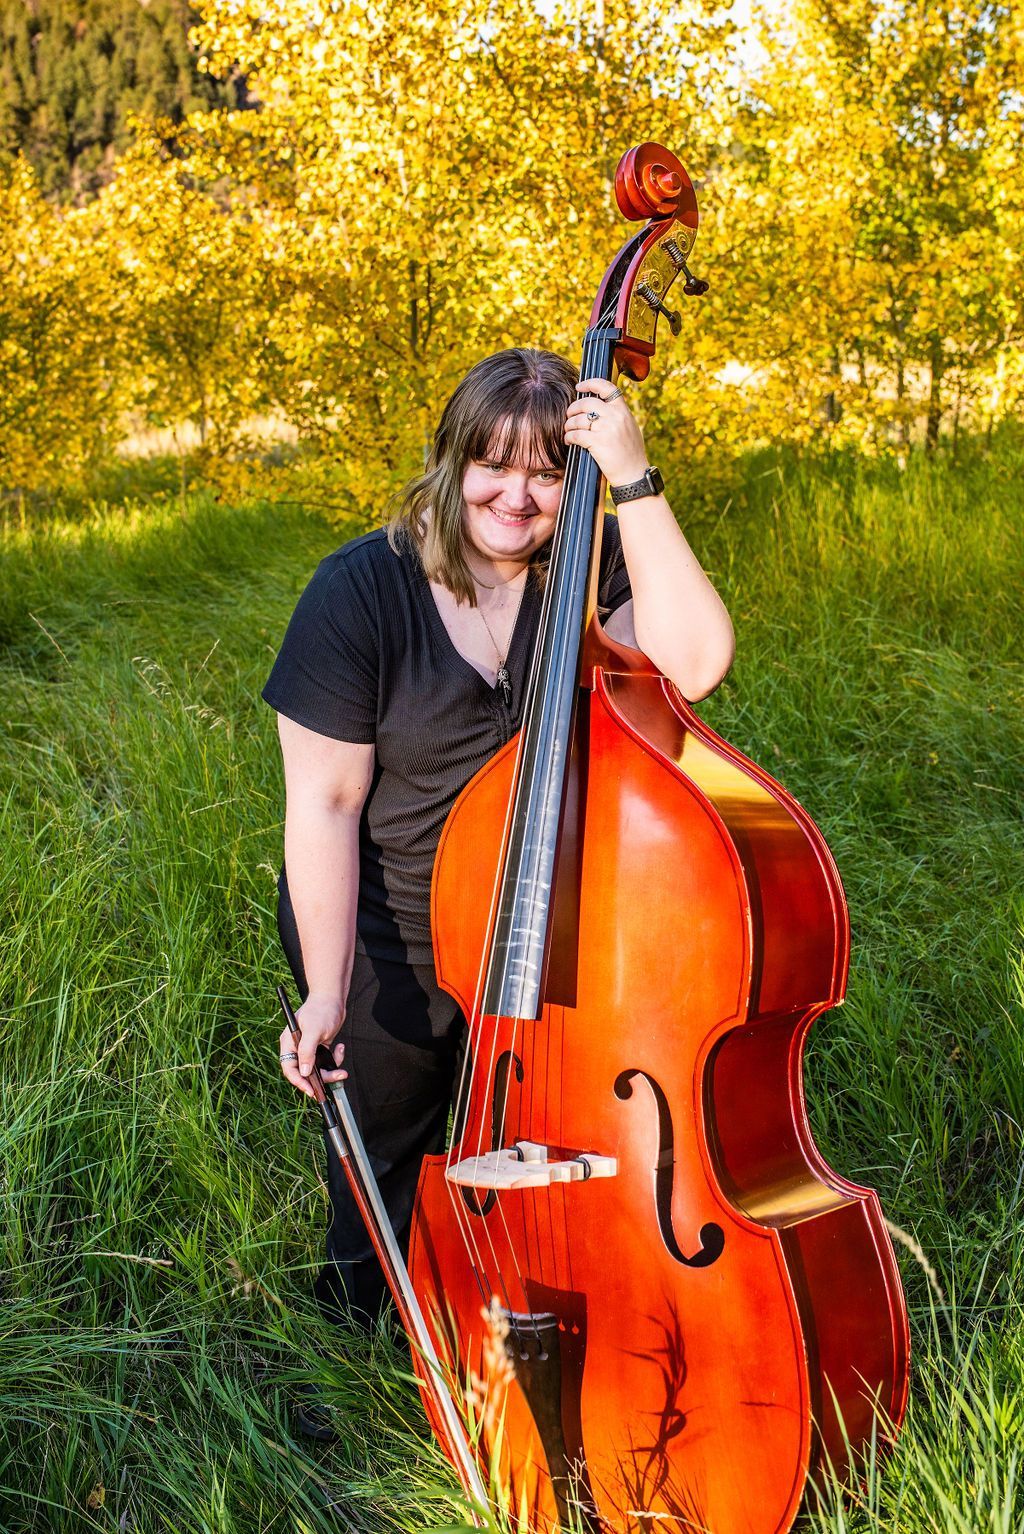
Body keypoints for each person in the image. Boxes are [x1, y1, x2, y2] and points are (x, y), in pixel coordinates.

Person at [262, 347, 734, 1339]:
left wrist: (633, 479)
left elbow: (693, 663)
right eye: (493, 465)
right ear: (449, 462)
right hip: (390, 927)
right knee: (380, 1176)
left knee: (553, 1163)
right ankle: (360, 1370)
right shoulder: (359, 592)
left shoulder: (590, 574)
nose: (516, 499)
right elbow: (327, 805)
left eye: (549, 473)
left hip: (551, 938)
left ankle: (539, 1333)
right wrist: (327, 988)